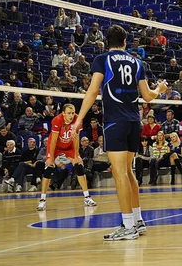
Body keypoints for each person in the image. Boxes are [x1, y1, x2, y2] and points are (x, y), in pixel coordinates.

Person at [74, 25, 167, 241]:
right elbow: (148, 96)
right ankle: (137, 220)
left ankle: (127, 225)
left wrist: (79, 119)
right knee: (128, 171)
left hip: (115, 122)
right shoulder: (137, 62)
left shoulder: (102, 59)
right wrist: (160, 90)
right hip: (134, 122)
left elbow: (93, 90)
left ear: (108, 42)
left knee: (120, 174)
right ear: (125, 42)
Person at [36, 104, 96, 211]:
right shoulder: (57, 120)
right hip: (56, 146)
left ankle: (87, 197)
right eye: (69, 113)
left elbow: (76, 138)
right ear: (63, 113)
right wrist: (51, 157)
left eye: (73, 113)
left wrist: (76, 155)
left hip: (69, 146)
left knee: (79, 166)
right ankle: (42, 200)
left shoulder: (78, 119)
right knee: (49, 168)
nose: (71, 115)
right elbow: (53, 140)